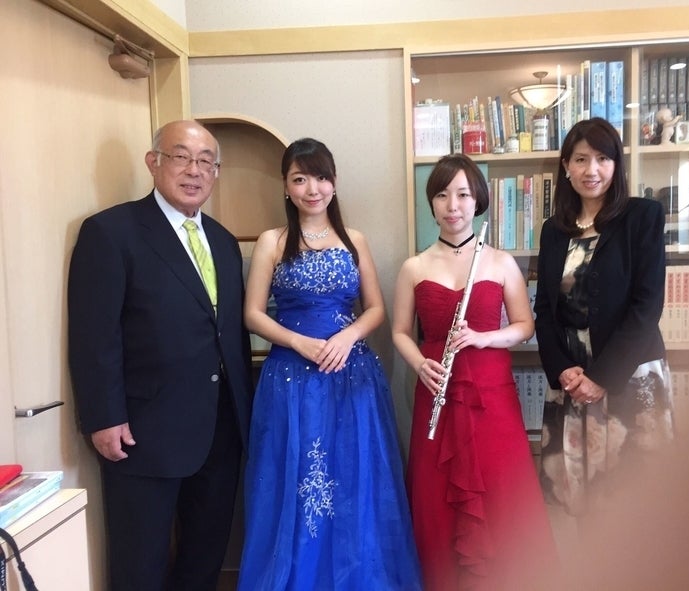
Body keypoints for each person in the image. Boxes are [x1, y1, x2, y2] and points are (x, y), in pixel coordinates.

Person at [68, 120, 253, 590]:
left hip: (219, 428)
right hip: (143, 431)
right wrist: (103, 416)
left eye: (206, 161)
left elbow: (227, 332)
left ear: (216, 172)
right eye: (181, 157)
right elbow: (94, 334)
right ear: (154, 162)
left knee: (204, 557)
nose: (195, 171)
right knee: (140, 563)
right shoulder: (111, 232)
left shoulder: (223, 241)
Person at [237, 138, 422, 590]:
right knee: (295, 477)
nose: (312, 188)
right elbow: (252, 314)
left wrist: (347, 336)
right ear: (286, 187)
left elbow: (376, 309)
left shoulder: (354, 240)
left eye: (320, 177)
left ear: (334, 183)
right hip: (290, 378)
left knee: (355, 476)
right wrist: (298, 342)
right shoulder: (272, 241)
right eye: (299, 179)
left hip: (352, 375)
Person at [392, 154, 556, 590]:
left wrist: (484, 338)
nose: (453, 205)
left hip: (490, 394)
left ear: (478, 200)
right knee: (436, 497)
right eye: (443, 195)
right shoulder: (414, 267)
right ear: (432, 202)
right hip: (437, 390)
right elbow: (399, 332)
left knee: (502, 493)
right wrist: (419, 364)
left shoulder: (500, 262)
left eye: (463, 194)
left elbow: (525, 326)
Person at [534, 117, 674, 518]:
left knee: (637, 502)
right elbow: (544, 309)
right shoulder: (553, 231)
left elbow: (647, 306)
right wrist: (562, 370)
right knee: (585, 499)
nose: (591, 170)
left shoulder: (642, 216)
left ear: (616, 164)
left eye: (602, 158)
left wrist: (602, 377)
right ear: (566, 166)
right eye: (580, 159)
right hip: (572, 380)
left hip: (628, 371)